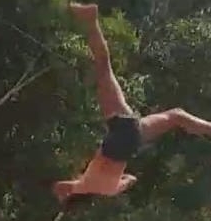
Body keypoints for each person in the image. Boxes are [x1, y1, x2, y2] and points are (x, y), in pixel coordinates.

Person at [53, 3, 211, 208]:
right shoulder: (82, 185)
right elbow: (60, 186)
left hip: (133, 140)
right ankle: (91, 19)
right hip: (121, 129)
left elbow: (131, 179)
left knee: (176, 116)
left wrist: (119, 176)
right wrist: (62, 195)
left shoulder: (110, 190)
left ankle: (207, 128)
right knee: (103, 66)